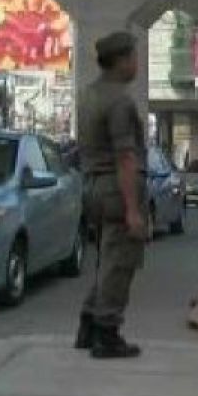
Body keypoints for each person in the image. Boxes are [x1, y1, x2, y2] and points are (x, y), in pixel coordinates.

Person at [74, 31, 148, 360]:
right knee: (120, 263)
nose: (137, 63)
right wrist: (133, 210)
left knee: (107, 259)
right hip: (115, 189)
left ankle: (89, 325)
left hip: (92, 186)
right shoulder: (119, 100)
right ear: (120, 61)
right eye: (133, 57)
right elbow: (125, 157)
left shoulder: (88, 94)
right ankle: (107, 332)